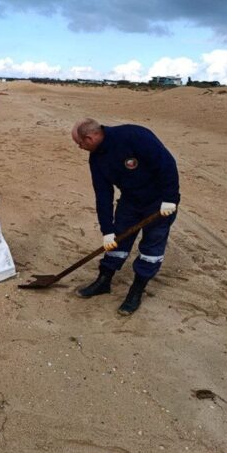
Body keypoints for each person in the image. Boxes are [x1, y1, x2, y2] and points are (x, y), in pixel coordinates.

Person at [71, 118, 180, 315]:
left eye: (80, 143)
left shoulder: (133, 136)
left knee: (151, 249)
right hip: (130, 201)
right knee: (116, 242)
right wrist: (107, 230)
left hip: (159, 203)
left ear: (89, 137)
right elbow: (103, 194)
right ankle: (104, 281)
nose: (80, 147)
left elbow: (166, 164)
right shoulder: (96, 158)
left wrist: (170, 198)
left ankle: (136, 291)